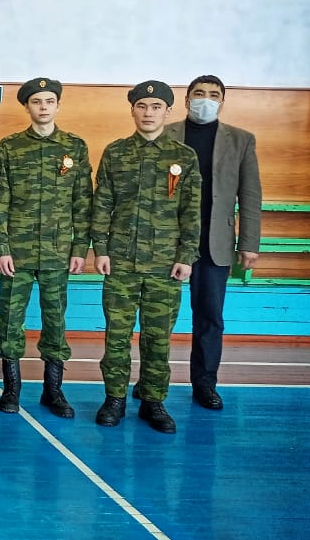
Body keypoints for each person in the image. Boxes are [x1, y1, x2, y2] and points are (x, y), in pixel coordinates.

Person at [92, 81, 201, 434]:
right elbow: (103, 203)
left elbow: (191, 211)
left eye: (156, 106)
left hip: (165, 264)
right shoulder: (116, 152)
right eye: (142, 106)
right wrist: (100, 248)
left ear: (168, 111)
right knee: (117, 336)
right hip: (121, 261)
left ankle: (153, 401)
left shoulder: (184, 157)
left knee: (158, 337)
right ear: (133, 110)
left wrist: (186, 255)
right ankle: (114, 398)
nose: (148, 113)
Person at [0, 78, 92, 418]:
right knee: (10, 321)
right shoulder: (10, 147)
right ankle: (12, 389)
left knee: (55, 321)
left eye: (50, 101)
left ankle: (54, 390)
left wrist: (80, 248)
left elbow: (83, 201)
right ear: (27, 107)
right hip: (16, 252)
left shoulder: (75, 146)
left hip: (58, 251)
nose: (44, 106)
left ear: (58, 105)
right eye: (37, 101)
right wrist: (1, 247)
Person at [164, 75, 261, 410]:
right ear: (186, 99)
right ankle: (151, 381)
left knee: (209, 317)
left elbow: (250, 194)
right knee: (157, 317)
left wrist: (249, 242)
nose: (205, 99)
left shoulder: (241, 140)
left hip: (213, 242)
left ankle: (205, 384)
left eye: (213, 94)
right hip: (167, 241)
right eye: (199, 93)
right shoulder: (164, 133)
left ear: (222, 101)